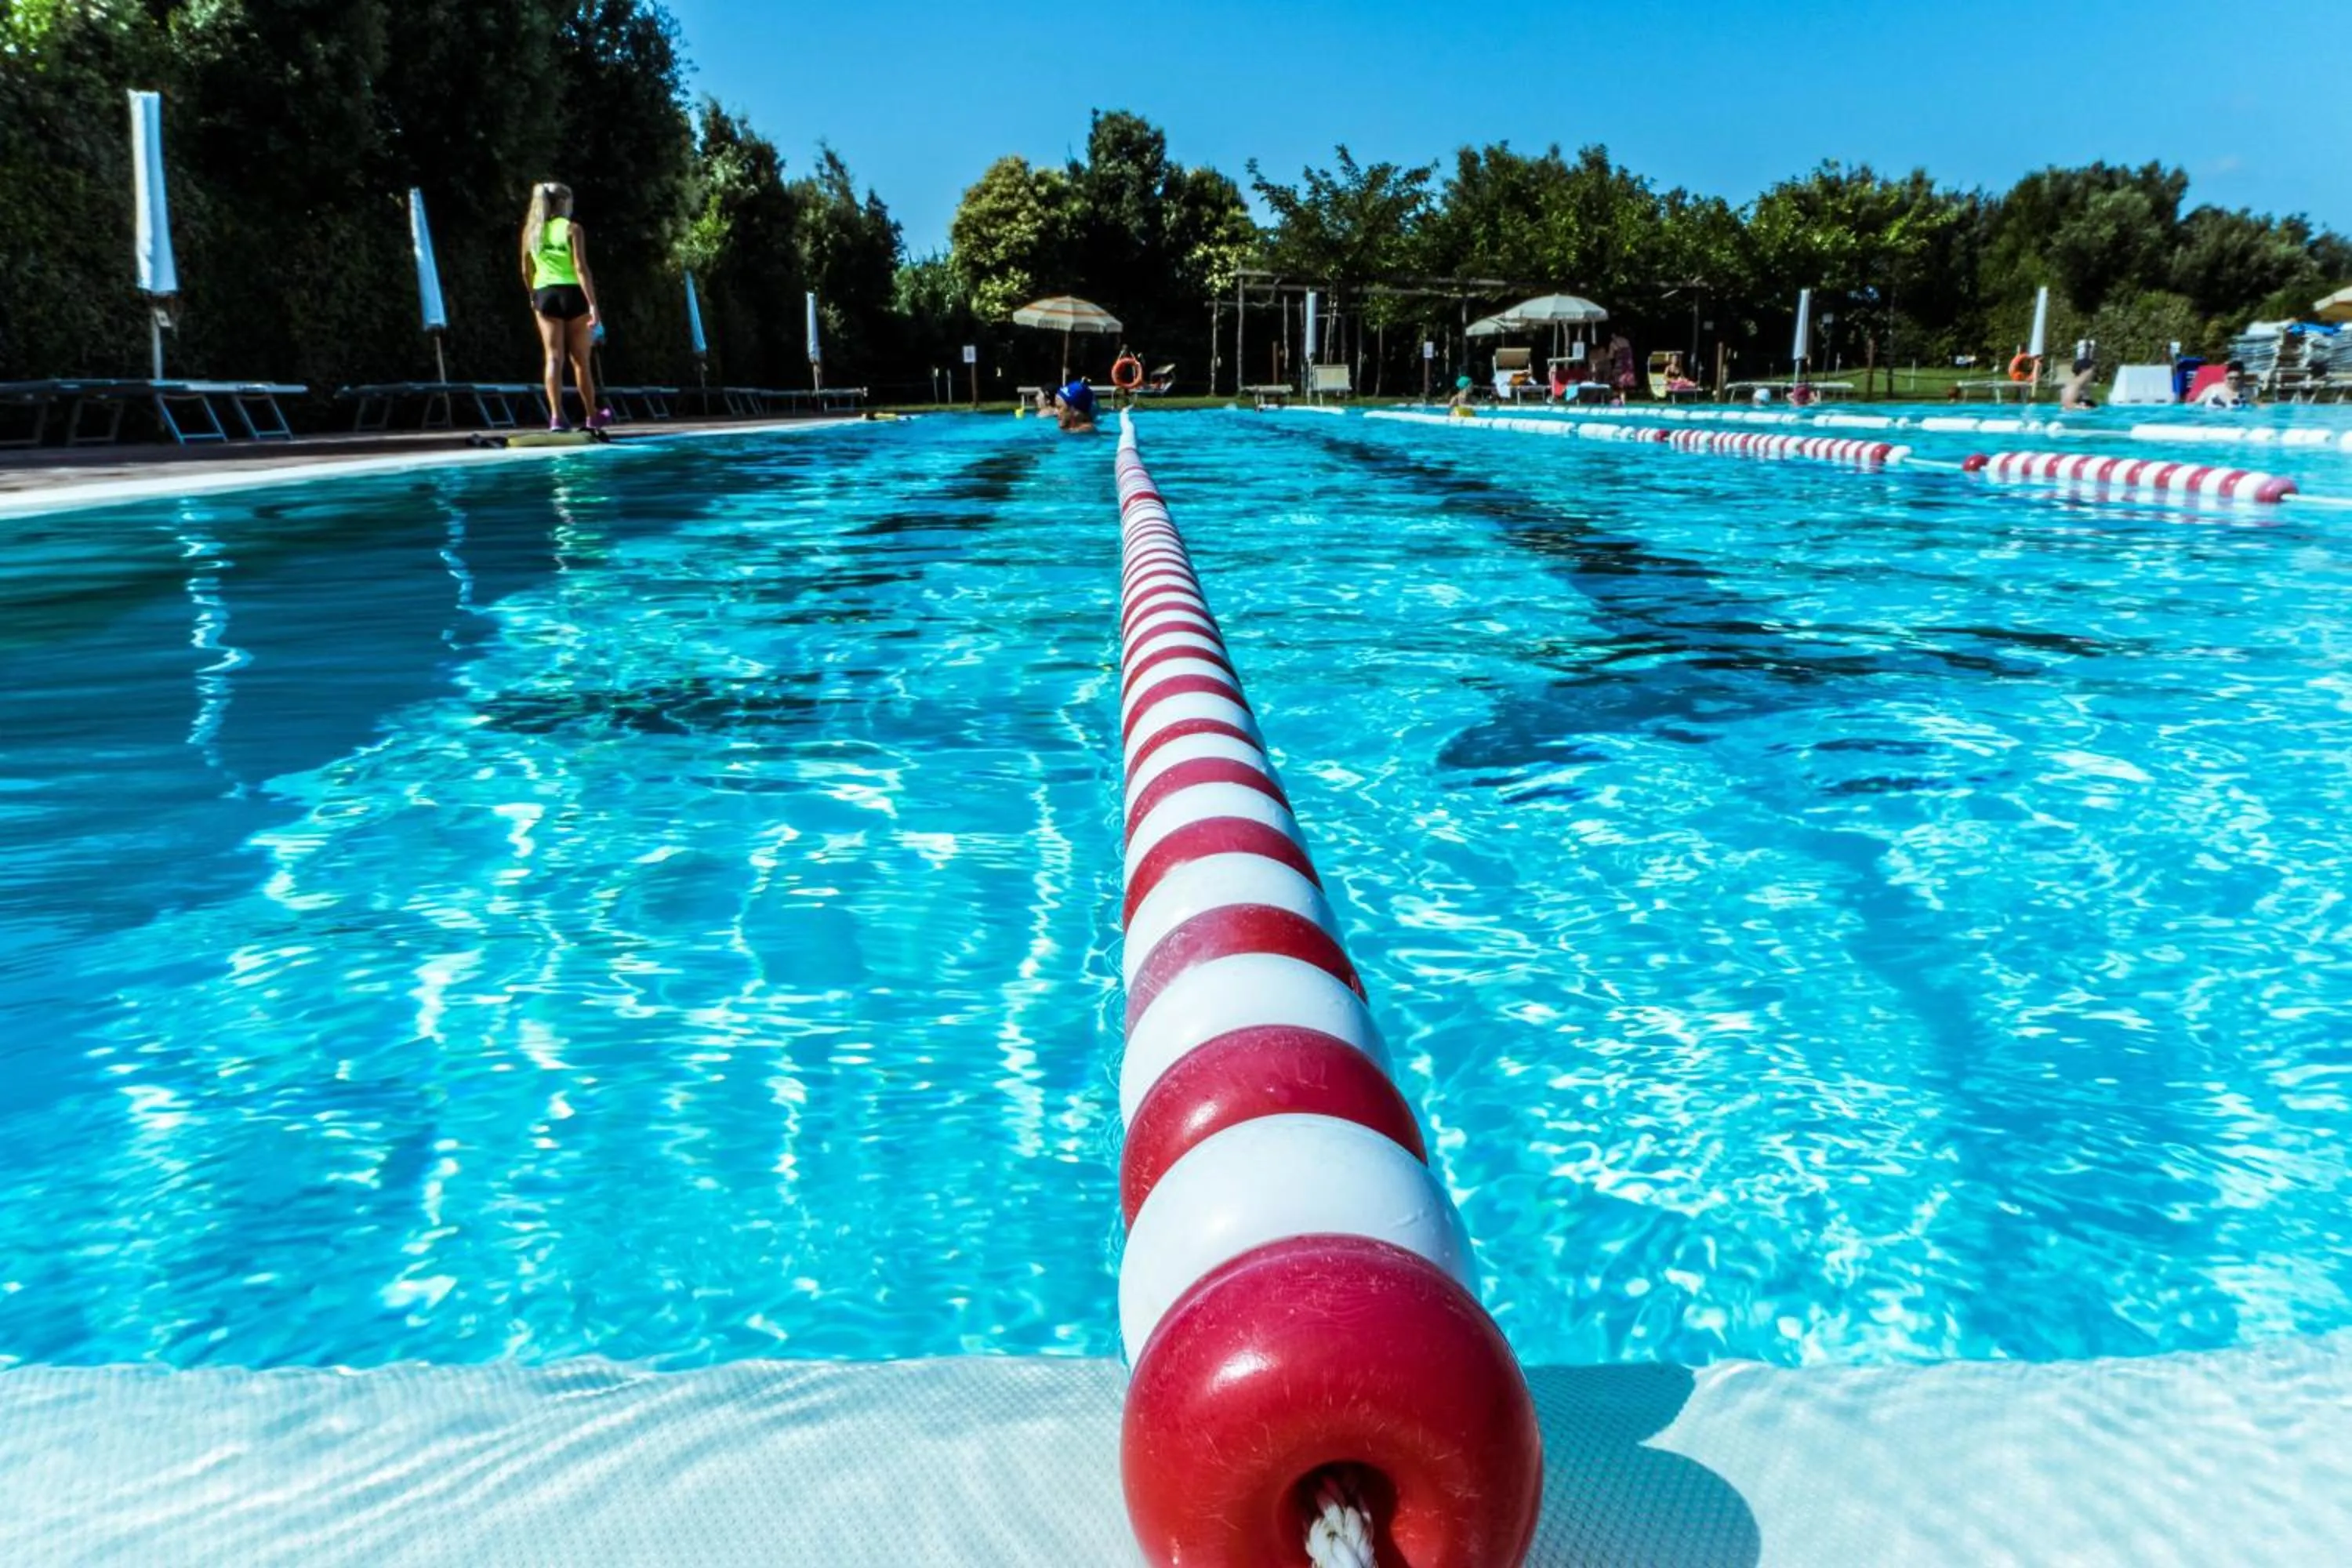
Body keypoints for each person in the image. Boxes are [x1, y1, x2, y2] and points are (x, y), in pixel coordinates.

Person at [519, 182, 604, 432]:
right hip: (574, 295)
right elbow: (580, 268)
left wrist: (533, 294)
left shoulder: (530, 233)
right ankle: (591, 415)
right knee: (581, 360)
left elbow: (526, 270)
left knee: (553, 357)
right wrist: (593, 305)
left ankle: (557, 417)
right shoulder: (573, 229)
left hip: (545, 294)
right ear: (565, 203)